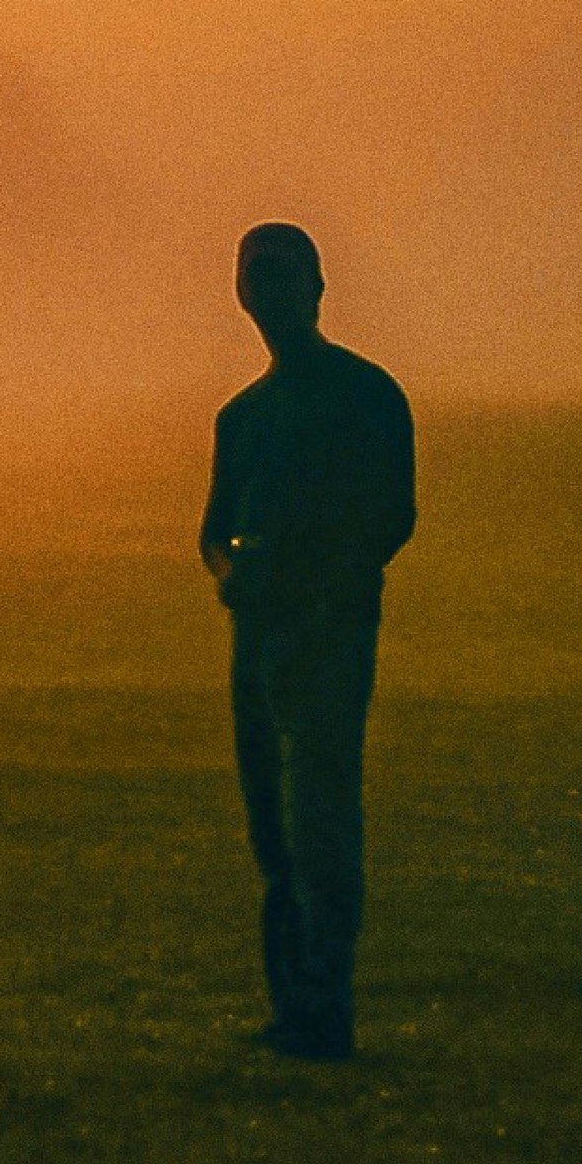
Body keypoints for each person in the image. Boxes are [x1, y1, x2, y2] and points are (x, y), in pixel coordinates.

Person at [200, 223, 415, 1060]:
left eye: (285, 277)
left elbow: (391, 515)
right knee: (274, 830)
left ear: (319, 289)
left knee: (319, 820)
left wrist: (318, 582)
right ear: (242, 294)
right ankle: (296, 1005)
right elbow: (213, 530)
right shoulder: (243, 417)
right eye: (260, 278)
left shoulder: (365, 396)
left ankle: (323, 1007)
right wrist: (233, 573)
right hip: (259, 636)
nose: (273, 293)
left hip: (328, 635)